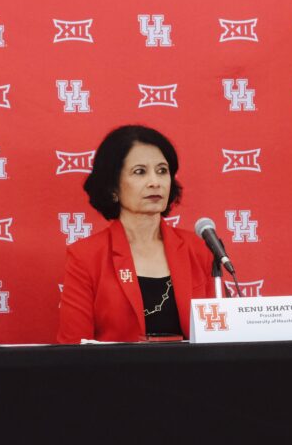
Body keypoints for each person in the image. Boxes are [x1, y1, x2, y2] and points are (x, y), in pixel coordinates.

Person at [57, 125, 214, 343]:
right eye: (140, 172)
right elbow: (73, 347)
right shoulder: (86, 256)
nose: (155, 182)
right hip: (116, 375)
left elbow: (223, 336)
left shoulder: (197, 249)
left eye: (162, 171)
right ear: (113, 187)